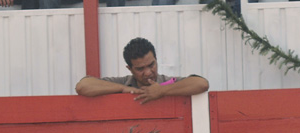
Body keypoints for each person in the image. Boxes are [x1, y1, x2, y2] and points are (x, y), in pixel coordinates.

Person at [75, 37, 209, 105]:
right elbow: (83, 86)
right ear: (130, 69)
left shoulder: (169, 82)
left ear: (156, 59)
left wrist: (162, 90)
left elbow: (201, 84)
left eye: (151, 65)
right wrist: (124, 89)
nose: (148, 72)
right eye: (140, 69)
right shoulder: (122, 83)